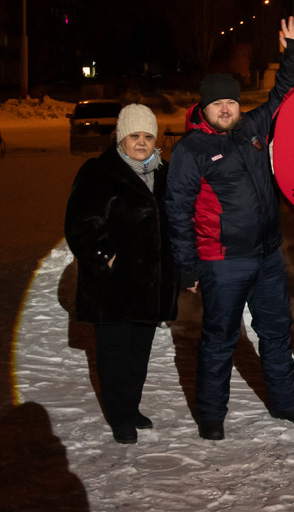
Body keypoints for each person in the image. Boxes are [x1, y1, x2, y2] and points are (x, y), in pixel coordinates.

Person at [165, 17, 294, 440]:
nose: (227, 108)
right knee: (219, 338)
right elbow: (177, 211)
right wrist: (188, 267)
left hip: (268, 255)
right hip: (223, 262)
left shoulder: (251, 129)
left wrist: (292, 52)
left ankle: (287, 403)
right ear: (204, 107)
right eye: (218, 104)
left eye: (231, 102)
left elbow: (284, 94)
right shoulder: (191, 150)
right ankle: (211, 413)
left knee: (275, 333)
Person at [65, 104, 178, 444]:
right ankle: (119, 417)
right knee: (114, 354)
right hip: (111, 288)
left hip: (150, 287)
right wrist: (106, 257)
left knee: (138, 355)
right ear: (120, 137)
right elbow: (80, 225)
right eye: (134, 136)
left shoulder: (165, 174)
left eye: (147, 136)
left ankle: (131, 407)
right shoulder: (98, 172)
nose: (141, 142)